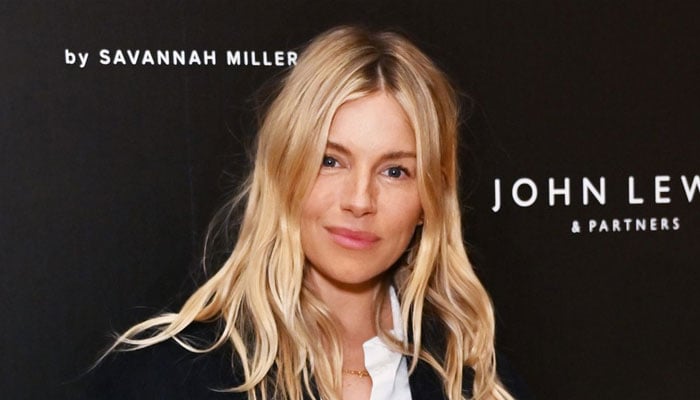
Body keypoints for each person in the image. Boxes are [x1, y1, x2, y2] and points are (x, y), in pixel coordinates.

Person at [84, 26, 528, 400]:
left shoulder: (479, 381)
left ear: (429, 201)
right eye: (330, 161)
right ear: (284, 170)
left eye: (395, 171)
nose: (360, 200)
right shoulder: (163, 376)